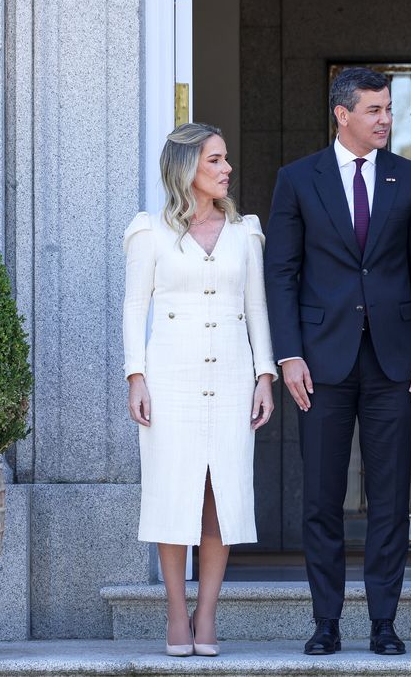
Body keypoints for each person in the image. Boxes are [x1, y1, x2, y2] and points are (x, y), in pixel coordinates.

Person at [264, 67, 411, 656]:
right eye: (374, 109)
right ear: (342, 114)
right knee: (320, 498)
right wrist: (288, 355)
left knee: (391, 498)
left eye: (388, 109)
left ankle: (384, 622)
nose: (386, 119)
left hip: (395, 363)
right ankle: (326, 622)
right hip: (320, 363)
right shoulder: (297, 180)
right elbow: (282, 274)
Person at [123, 122, 277, 657]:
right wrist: (135, 376)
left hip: (233, 376)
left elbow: (256, 306)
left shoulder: (245, 231)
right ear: (187, 168)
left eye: (226, 159)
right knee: (173, 492)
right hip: (171, 379)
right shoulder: (149, 232)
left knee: (222, 496)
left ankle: (207, 614)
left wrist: (265, 376)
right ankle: (174, 613)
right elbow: (132, 307)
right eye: (215, 160)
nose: (226, 169)